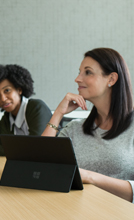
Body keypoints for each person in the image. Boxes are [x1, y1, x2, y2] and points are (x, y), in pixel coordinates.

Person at [42, 48, 134, 202]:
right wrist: (58, 114)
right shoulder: (74, 129)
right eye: (79, 72)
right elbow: (40, 164)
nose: (77, 79)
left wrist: (91, 177)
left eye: (88, 72)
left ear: (111, 79)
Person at [0, 64, 52, 156]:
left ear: (19, 90)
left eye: (7, 90)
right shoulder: (7, 118)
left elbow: (37, 147)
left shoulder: (36, 107)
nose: (3, 99)